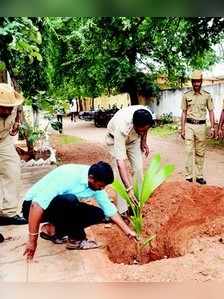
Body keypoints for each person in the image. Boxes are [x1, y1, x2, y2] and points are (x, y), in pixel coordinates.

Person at [22, 161, 137, 260]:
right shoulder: (67, 175)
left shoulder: (95, 181)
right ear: (91, 178)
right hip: (31, 207)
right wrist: (32, 240)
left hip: (56, 207)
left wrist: (128, 231)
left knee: (98, 214)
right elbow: (36, 205)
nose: (102, 189)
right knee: (70, 200)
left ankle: (56, 231)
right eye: (101, 186)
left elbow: (109, 209)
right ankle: (73, 236)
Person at [106, 105, 154, 213]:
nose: (143, 132)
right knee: (119, 175)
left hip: (133, 140)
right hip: (114, 139)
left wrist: (143, 141)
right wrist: (129, 189)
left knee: (138, 168)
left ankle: (138, 203)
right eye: (140, 130)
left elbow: (145, 128)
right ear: (134, 125)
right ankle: (123, 210)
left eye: (144, 130)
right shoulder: (122, 127)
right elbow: (120, 163)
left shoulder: (146, 114)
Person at [0, 83, 27, 237]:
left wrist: (17, 122)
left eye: (9, 107)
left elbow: (18, 110)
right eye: (3, 108)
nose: (7, 110)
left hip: (3, 140)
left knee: (12, 170)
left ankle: (8, 213)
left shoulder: (13, 106)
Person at [180, 70, 215, 184]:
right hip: (189, 125)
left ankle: (199, 176)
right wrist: (182, 128)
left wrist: (213, 127)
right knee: (189, 151)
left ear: (201, 82)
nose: (196, 84)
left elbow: (211, 111)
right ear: (191, 82)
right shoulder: (186, 96)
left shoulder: (207, 95)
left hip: (201, 126)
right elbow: (184, 113)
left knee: (200, 152)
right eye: (194, 82)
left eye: (198, 82)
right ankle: (188, 176)